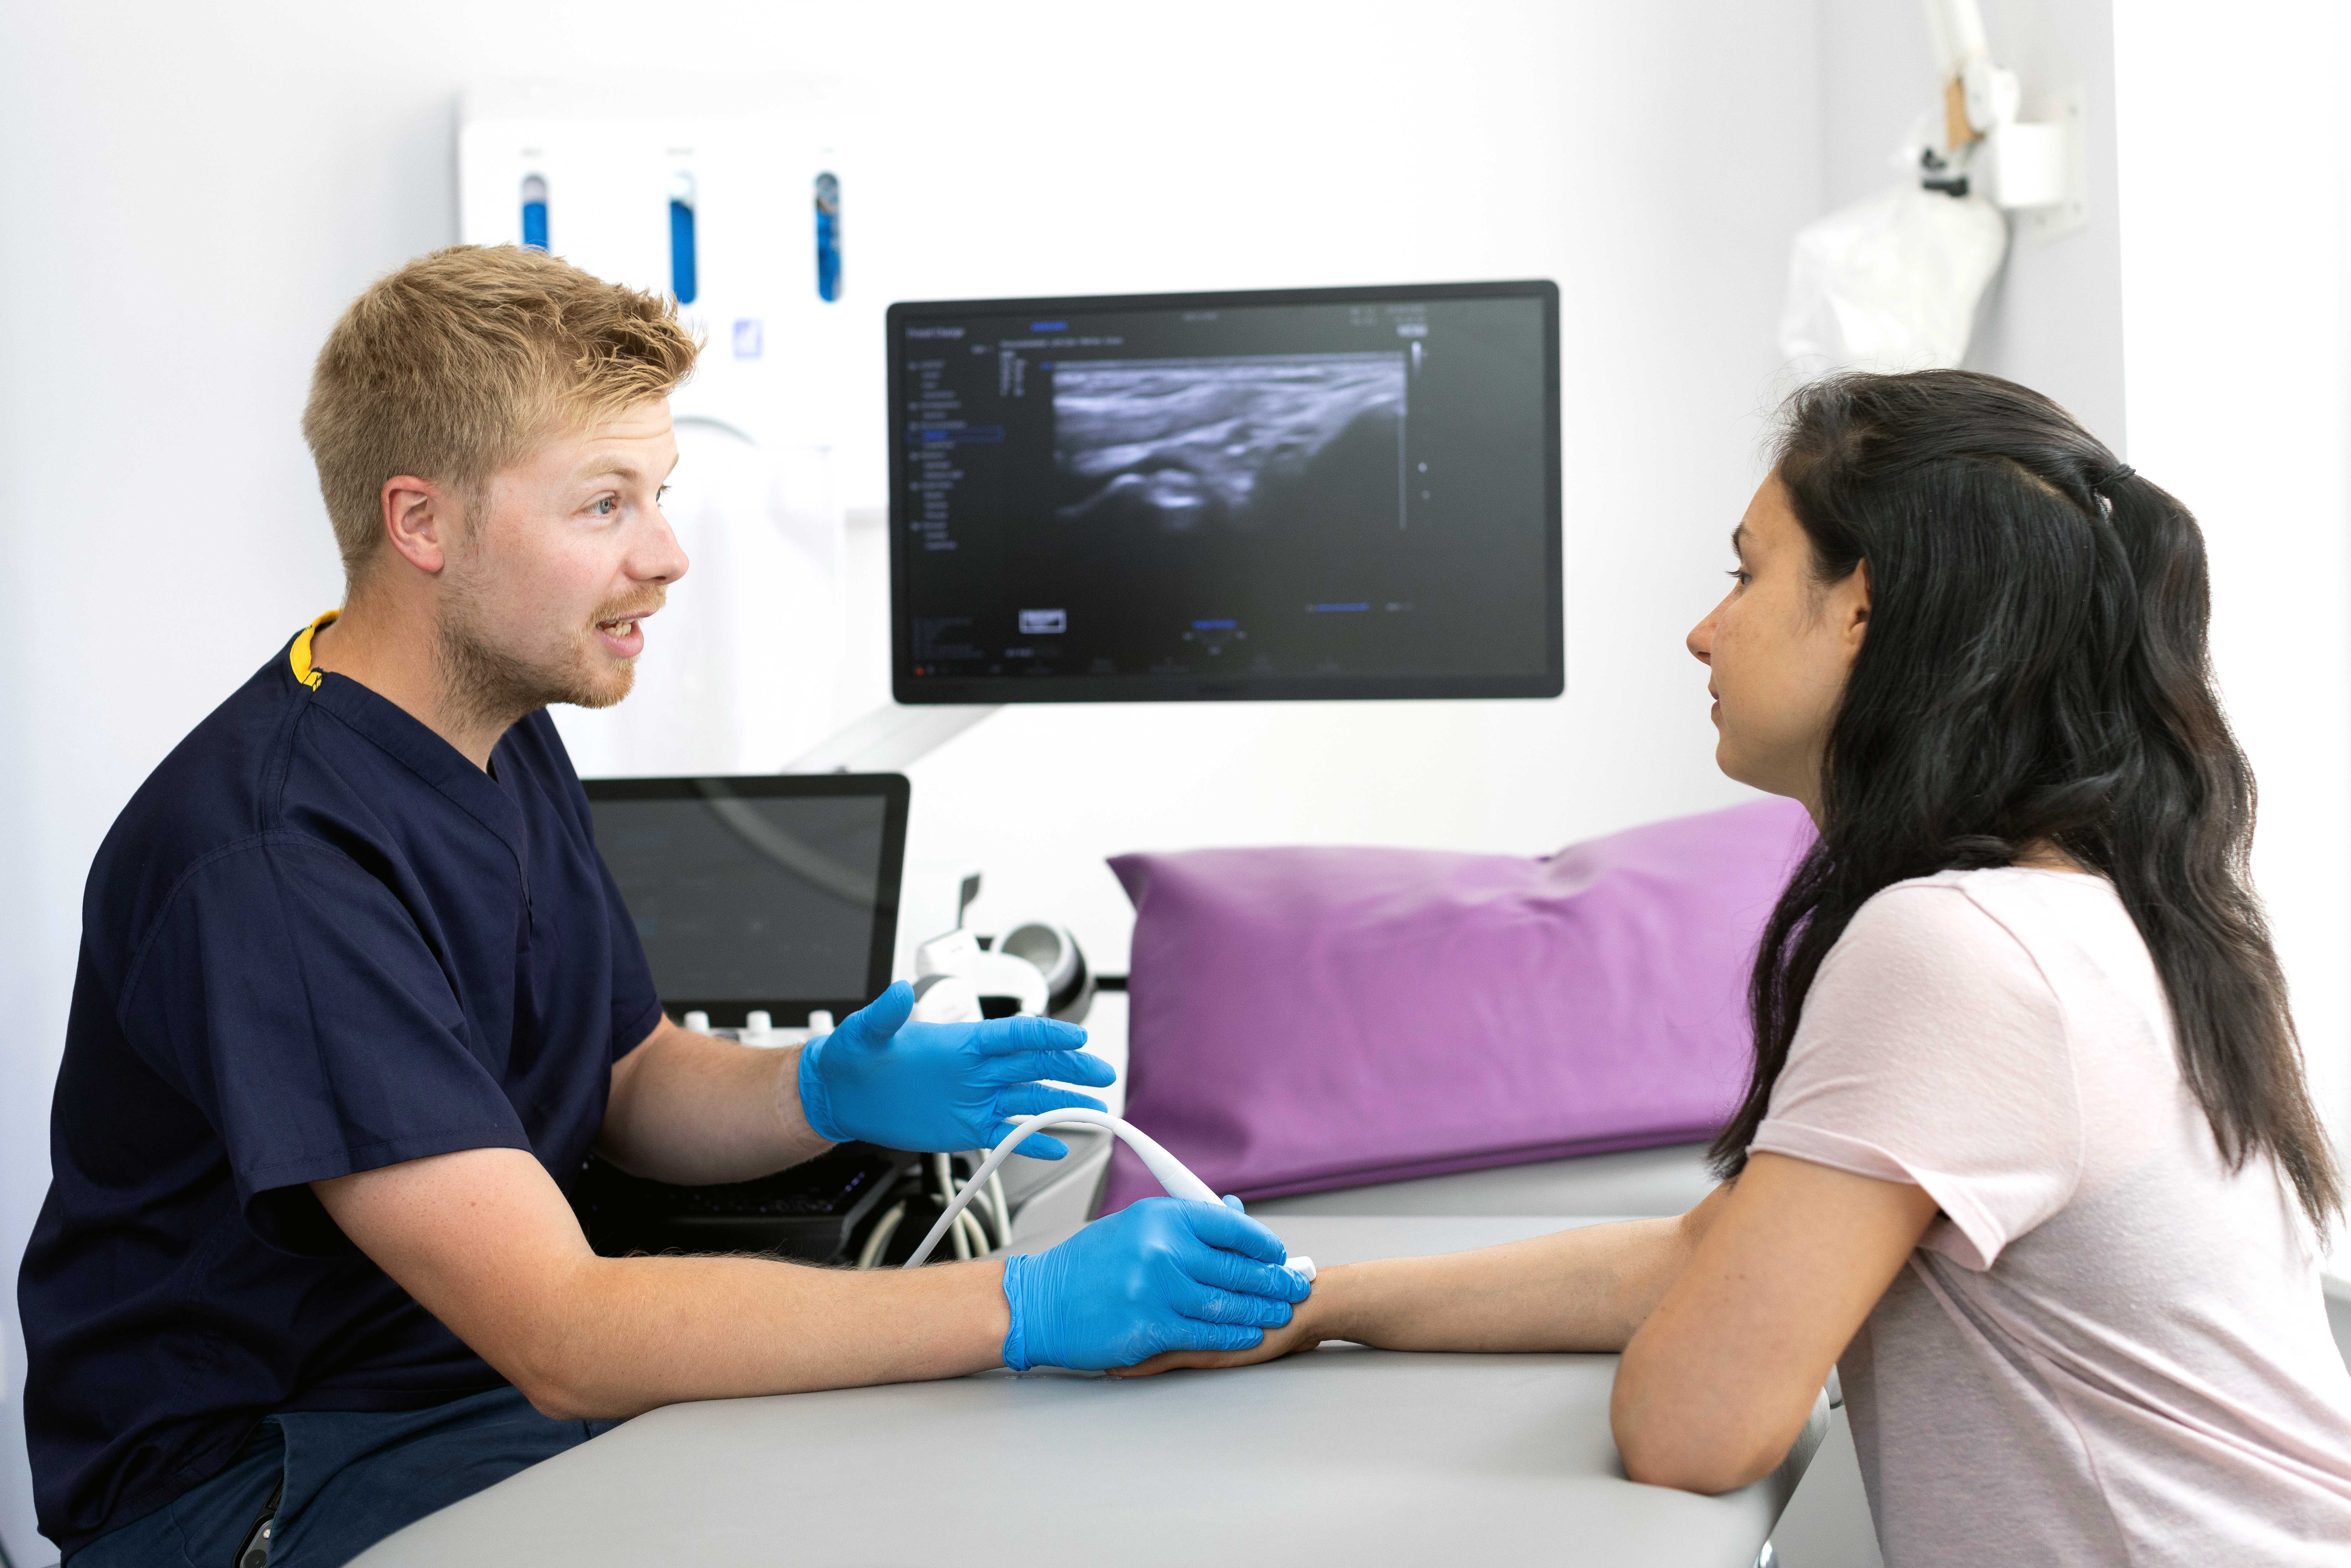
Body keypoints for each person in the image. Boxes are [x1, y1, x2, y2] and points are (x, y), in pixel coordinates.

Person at [17, 246, 1308, 1568]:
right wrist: (1020, 1302)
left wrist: (814, 1092)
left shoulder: (497, 726)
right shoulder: (276, 861)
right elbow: (568, 1336)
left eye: (662, 496)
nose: (668, 554)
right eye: (603, 507)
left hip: (467, 1400)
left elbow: (626, 1072)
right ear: (422, 524)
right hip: (268, 1477)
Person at [1116, 370, 2351, 1565]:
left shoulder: (1958, 951)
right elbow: (1702, 1260)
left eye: (1744, 573)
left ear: (1861, 608)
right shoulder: (2115, 907)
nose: (1703, 629)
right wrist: (1307, 1303)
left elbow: (1694, 1426)